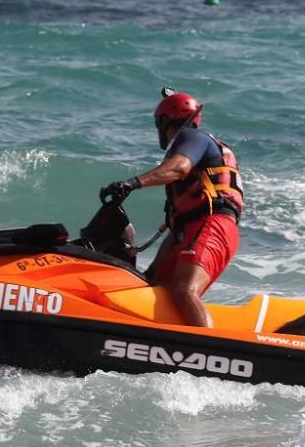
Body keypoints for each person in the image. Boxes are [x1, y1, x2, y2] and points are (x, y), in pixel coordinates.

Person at [100, 88, 243, 327]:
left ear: (165, 120)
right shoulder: (197, 149)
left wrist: (132, 183)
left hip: (212, 224)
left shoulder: (192, 138)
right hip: (189, 230)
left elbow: (179, 167)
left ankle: (207, 352)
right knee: (152, 286)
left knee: (184, 290)